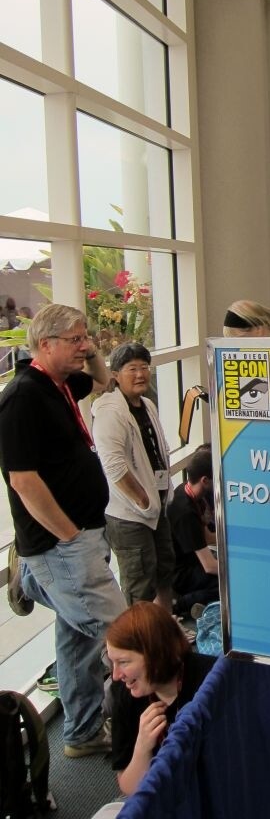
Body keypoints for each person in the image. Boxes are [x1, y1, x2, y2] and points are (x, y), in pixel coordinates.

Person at [0, 303, 126, 757]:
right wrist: (70, 536)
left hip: (83, 537)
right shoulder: (22, 399)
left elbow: (101, 381)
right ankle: (34, 577)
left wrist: (91, 350)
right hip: (62, 545)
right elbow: (23, 481)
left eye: (85, 337)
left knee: (78, 642)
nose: (84, 345)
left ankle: (82, 731)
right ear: (45, 344)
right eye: (74, 339)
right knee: (119, 631)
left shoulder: (58, 385)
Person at [93, 342, 174, 611]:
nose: (140, 374)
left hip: (157, 504)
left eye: (144, 367)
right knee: (140, 580)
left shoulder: (147, 404)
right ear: (115, 374)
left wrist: (158, 499)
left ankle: (164, 624)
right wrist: (142, 500)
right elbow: (113, 467)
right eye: (132, 369)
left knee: (164, 567)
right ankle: (142, 639)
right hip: (129, 514)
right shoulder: (110, 413)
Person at [107, 601, 216, 795]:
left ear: (156, 654)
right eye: (112, 662)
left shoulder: (210, 681)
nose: (116, 675)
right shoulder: (124, 694)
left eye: (123, 662)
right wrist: (142, 748)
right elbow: (130, 789)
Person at [167, 445, 219, 617]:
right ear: (205, 480)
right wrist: (238, 569)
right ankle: (183, 604)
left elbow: (207, 537)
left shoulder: (187, 492)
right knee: (227, 583)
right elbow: (209, 566)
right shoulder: (185, 513)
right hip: (181, 573)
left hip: (191, 562)